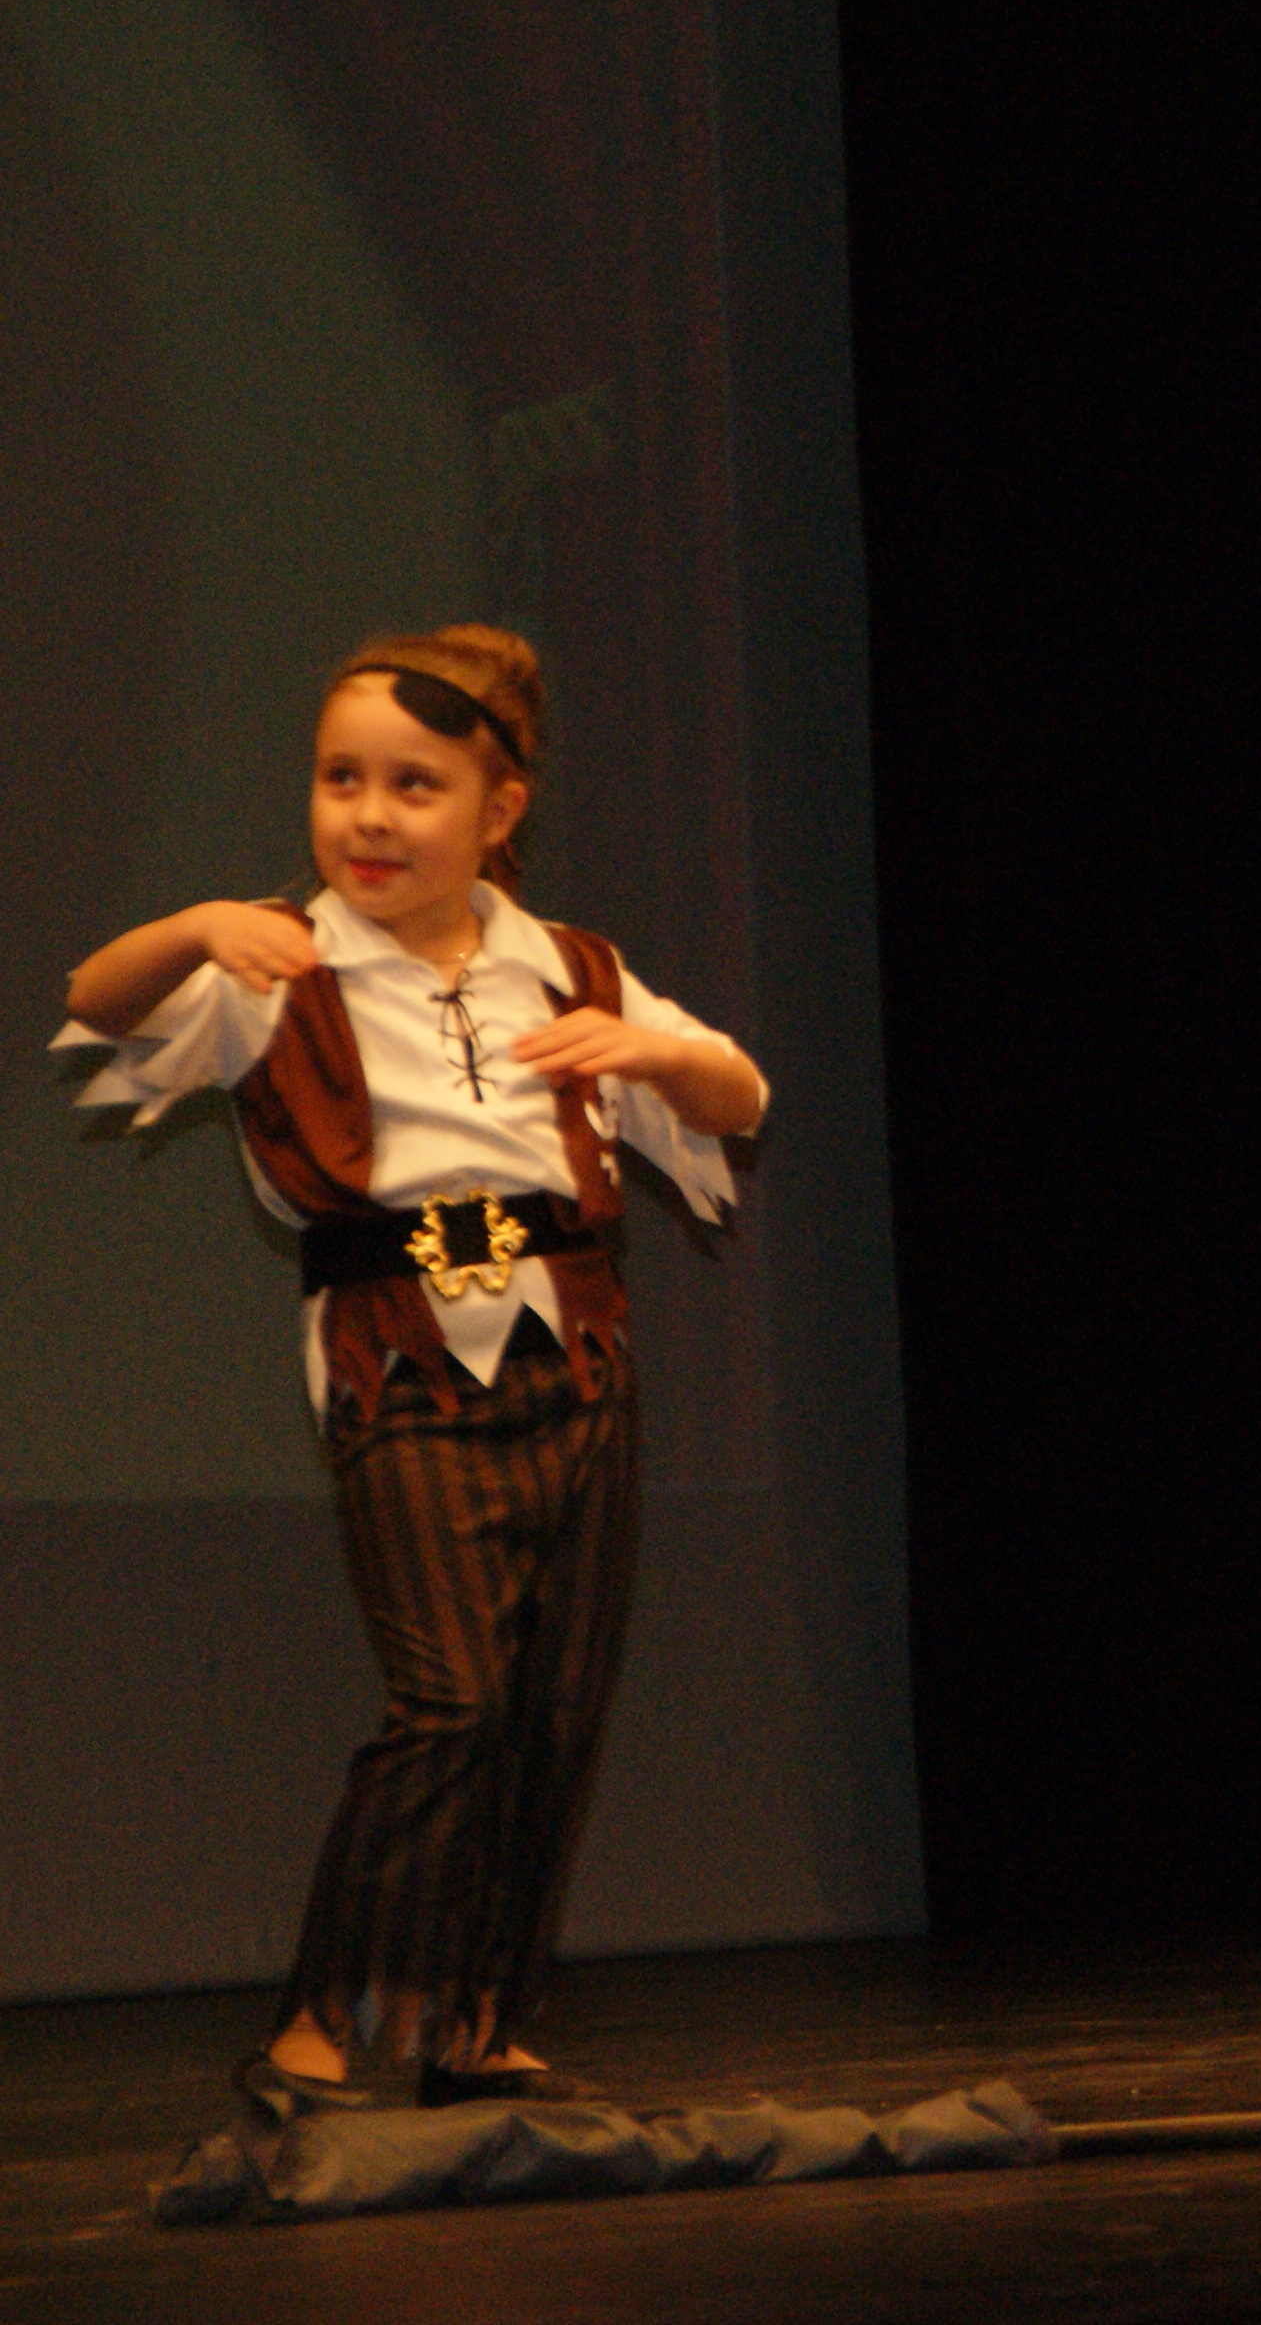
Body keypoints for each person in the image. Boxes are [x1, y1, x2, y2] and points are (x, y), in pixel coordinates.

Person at [57, 627, 766, 2110]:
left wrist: (648, 1058)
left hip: (577, 1351)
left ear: (499, 811)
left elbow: (738, 1094)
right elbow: (98, 1002)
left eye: (414, 786)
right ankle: (322, 2023)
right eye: (342, 780)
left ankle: (476, 2022)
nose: (369, 817)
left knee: (551, 1709)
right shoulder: (277, 961)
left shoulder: (569, 967)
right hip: (401, 1364)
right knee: (449, 1698)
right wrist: (195, 926)